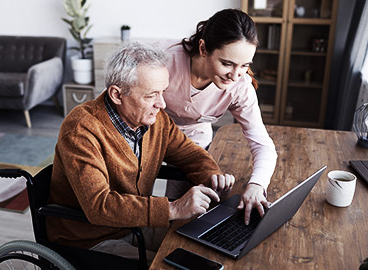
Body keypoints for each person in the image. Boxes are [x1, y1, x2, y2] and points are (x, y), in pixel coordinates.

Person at [46, 42, 235, 262]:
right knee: (174, 265)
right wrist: (172, 209)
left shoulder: (155, 120)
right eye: (151, 95)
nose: (162, 104)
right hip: (89, 240)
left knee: (206, 249)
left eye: (163, 92)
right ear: (117, 95)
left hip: (135, 225)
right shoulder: (81, 129)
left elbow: (188, 153)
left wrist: (212, 176)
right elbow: (99, 205)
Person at [161, 9, 277, 225]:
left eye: (245, 65)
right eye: (227, 64)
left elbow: (262, 143)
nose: (235, 76)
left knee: (185, 215)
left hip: (194, 144)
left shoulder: (240, 87)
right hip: (151, 135)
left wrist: (257, 185)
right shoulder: (165, 59)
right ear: (204, 48)